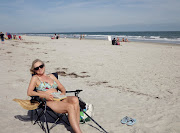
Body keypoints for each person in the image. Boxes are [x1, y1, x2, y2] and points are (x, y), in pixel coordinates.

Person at [27, 59, 82, 133]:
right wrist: (43, 94)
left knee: (75, 99)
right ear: (34, 70)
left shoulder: (51, 76)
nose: (39, 69)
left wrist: (62, 93)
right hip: (49, 101)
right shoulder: (35, 78)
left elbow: (62, 88)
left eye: (41, 66)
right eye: (37, 68)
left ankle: (76, 127)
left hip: (59, 97)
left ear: (44, 66)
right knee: (70, 106)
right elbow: (29, 92)